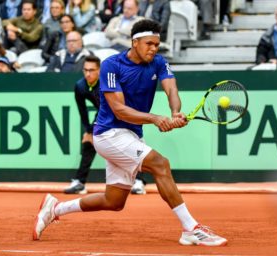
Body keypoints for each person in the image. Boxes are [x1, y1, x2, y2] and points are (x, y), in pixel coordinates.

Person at [33, 19, 228, 247]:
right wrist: (156, 118)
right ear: (135, 42)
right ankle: (190, 229)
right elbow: (119, 109)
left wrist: (175, 112)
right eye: (149, 44)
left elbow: (171, 88)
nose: (154, 48)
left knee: (114, 201)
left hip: (131, 135)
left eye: (157, 44)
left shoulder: (158, 62)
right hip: (109, 134)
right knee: (160, 164)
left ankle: (55, 208)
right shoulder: (111, 65)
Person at [64, 55, 101, 194]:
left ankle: (138, 181)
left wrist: (92, 131)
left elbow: (105, 109)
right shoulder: (80, 86)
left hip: (122, 113)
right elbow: (82, 110)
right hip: (104, 115)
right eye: (85, 70)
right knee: (89, 144)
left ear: (99, 71)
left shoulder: (106, 84)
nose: (88, 74)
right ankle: (80, 182)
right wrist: (88, 130)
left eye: (91, 70)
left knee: (129, 145)